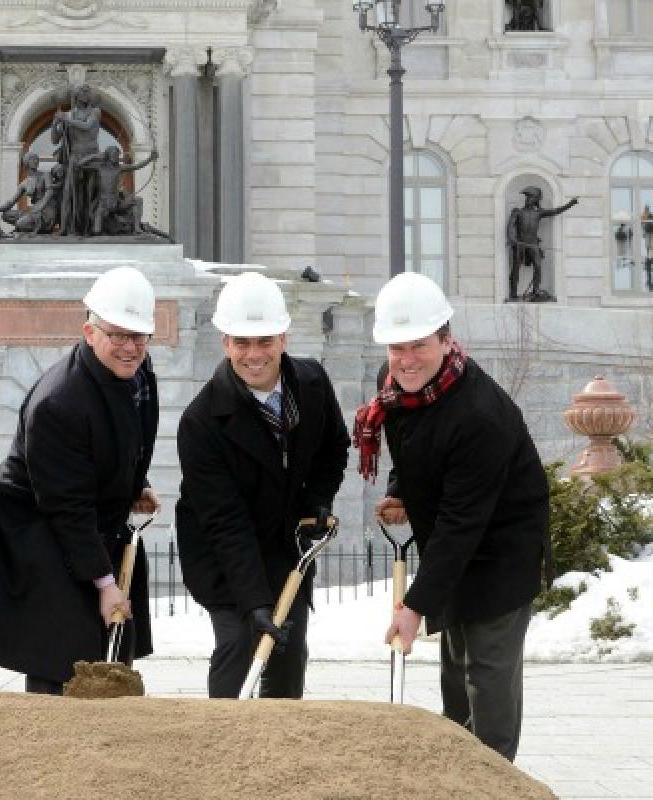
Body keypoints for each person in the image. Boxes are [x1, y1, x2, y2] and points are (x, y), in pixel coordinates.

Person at [353, 271, 552, 761]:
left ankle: (497, 782)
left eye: (418, 345)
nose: (405, 360)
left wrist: (414, 606)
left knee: (487, 676)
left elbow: (464, 523)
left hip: (501, 552)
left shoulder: (479, 416)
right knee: (454, 674)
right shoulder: (397, 386)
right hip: (453, 541)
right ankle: (458, 777)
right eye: (395, 348)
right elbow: (412, 448)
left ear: (446, 338)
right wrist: (401, 489)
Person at [0, 266, 160, 694]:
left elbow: (129, 438)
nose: (129, 347)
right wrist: (105, 583)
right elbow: (66, 508)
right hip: (44, 534)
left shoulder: (137, 374)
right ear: (89, 331)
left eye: (138, 336)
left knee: (113, 652)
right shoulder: (59, 404)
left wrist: (136, 484)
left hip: (96, 525)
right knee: (65, 653)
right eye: (117, 334)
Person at [176, 272, 350, 699]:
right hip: (223, 551)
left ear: (283, 338)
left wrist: (317, 502)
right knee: (240, 641)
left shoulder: (311, 385)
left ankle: (279, 752)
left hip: (286, 540)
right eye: (242, 342)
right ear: (226, 344)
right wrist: (254, 601)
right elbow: (225, 522)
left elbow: (334, 448)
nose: (254, 354)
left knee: (289, 652)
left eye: (264, 341)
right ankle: (224, 743)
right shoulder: (201, 422)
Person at [506, 186, 577, 301]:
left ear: (536, 200)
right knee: (515, 268)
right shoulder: (517, 212)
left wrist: (570, 204)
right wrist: (512, 239)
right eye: (528, 197)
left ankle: (536, 290)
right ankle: (513, 293)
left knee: (538, 266)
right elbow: (510, 226)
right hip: (519, 244)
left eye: (531, 197)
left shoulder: (538, 213)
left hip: (533, 244)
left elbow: (555, 211)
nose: (529, 199)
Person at [53, 84, 102, 237]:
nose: (87, 94)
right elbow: (55, 139)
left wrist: (66, 119)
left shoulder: (95, 112)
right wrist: (54, 124)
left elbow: (87, 126)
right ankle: (66, 227)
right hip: (74, 156)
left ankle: (89, 227)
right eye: (83, 91)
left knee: (89, 193)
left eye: (88, 91)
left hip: (91, 156)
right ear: (76, 95)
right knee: (69, 193)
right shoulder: (68, 115)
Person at [78, 145, 158, 235]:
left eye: (117, 155)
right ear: (108, 155)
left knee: (138, 200)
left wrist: (150, 158)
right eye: (113, 154)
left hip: (117, 203)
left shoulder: (119, 168)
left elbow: (137, 166)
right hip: (104, 204)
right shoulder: (100, 167)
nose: (116, 157)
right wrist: (94, 156)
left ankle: (137, 228)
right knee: (97, 231)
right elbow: (80, 164)